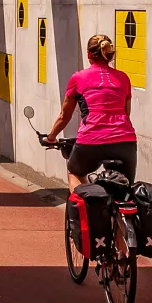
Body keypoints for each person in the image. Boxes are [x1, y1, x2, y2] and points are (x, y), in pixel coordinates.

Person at [46, 33, 137, 189]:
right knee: (124, 188)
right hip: (125, 141)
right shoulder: (124, 78)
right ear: (110, 54)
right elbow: (126, 113)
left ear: (89, 54)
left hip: (91, 139)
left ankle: (82, 208)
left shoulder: (78, 78)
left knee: (75, 172)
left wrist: (51, 137)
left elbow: (64, 116)